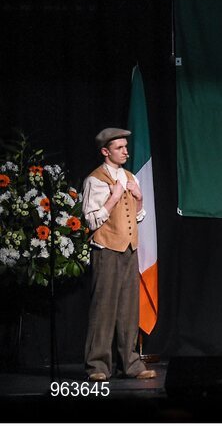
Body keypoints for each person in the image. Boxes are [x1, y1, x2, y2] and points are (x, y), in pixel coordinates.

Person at [81, 127, 156, 381]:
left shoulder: (128, 175)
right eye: (119, 148)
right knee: (104, 308)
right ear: (105, 151)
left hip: (128, 248)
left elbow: (136, 217)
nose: (125, 151)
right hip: (106, 250)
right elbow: (91, 220)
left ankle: (131, 363)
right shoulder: (95, 180)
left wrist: (140, 199)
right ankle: (98, 366)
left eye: (126, 147)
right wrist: (112, 198)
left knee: (128, 310)